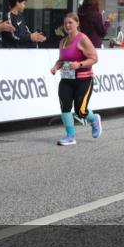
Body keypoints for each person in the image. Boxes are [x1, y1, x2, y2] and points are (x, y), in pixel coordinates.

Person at [50, 12, 102, 146]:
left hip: (83, 80)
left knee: (80, 110)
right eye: (65, 23)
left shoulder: (82, 39)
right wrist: (56, 67)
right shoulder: (63, 41)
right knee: (65, 107)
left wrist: (79, 64)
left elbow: (94, 58)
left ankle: (94, 119)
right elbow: (62, 60)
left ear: (77, 24)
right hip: (66, 80)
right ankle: (70, 136)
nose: (67, 25)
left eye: (70, 23)